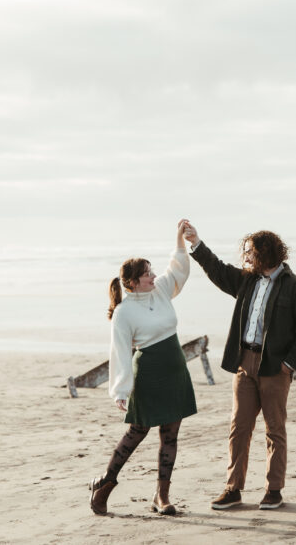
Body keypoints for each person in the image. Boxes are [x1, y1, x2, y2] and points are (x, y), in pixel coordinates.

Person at [181, 222, 296, 511]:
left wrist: (288, 364)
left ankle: (274, 489)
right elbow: (216, 269)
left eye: (251, 253)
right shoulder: (247, 281)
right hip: (245, 364)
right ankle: (233, 489)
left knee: (274, 430)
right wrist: (196, 242)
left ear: (266, 254)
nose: (246, 257)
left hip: (275, 368)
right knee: (239, 428)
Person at [89, 219, 196, 517]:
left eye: (151, 271)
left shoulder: (161, 290)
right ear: (133, 281)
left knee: (170, 435)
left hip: (175, 371)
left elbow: (178, 269)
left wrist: (180, 240)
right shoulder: (124, 313)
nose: (153, 276)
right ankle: (107, 484)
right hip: (149, 375)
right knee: (137, 431)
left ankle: (161, 496)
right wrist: (120, 390)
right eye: (147, 273)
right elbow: (120, 352)